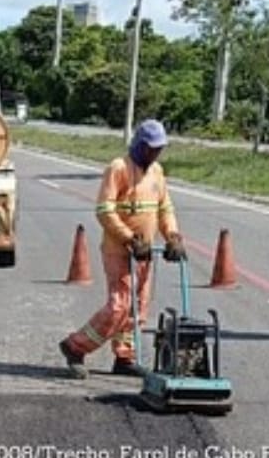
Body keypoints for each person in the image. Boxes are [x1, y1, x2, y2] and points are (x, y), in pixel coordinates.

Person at [58, 119, 186, 379]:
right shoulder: (119, 168)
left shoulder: (157, 172)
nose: (154, 153)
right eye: (150, 148)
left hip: (145, 252)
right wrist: (129, 238)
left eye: (159, 149)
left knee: (139, 306)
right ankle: (75, 346)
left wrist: (173, 236)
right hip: (119, 250)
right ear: (138, 145)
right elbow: (104, 210)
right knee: (119, 306)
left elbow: (165, 209)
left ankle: (125, 356)